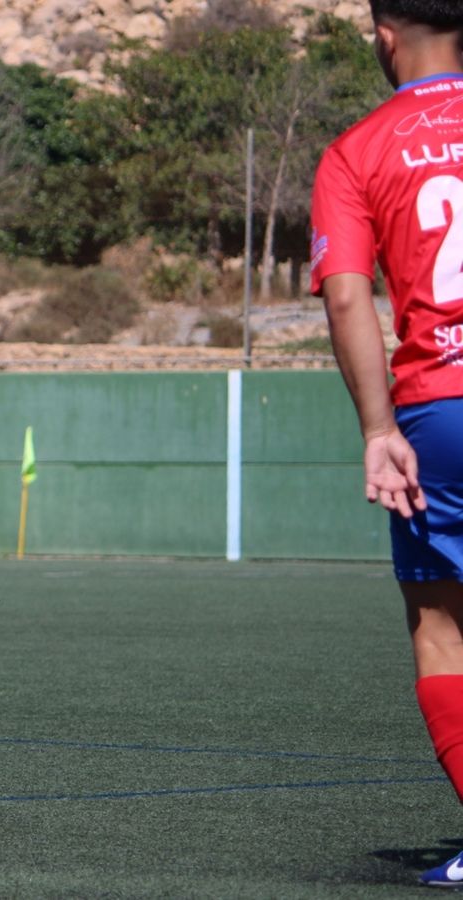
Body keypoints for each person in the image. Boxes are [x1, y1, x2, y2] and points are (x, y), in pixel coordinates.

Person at [312, 1, 463, 886]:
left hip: (439, 408)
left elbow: (345, 297)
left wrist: (377, 428)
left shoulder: (359, 148)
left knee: (443, 629)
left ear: (384, 33)